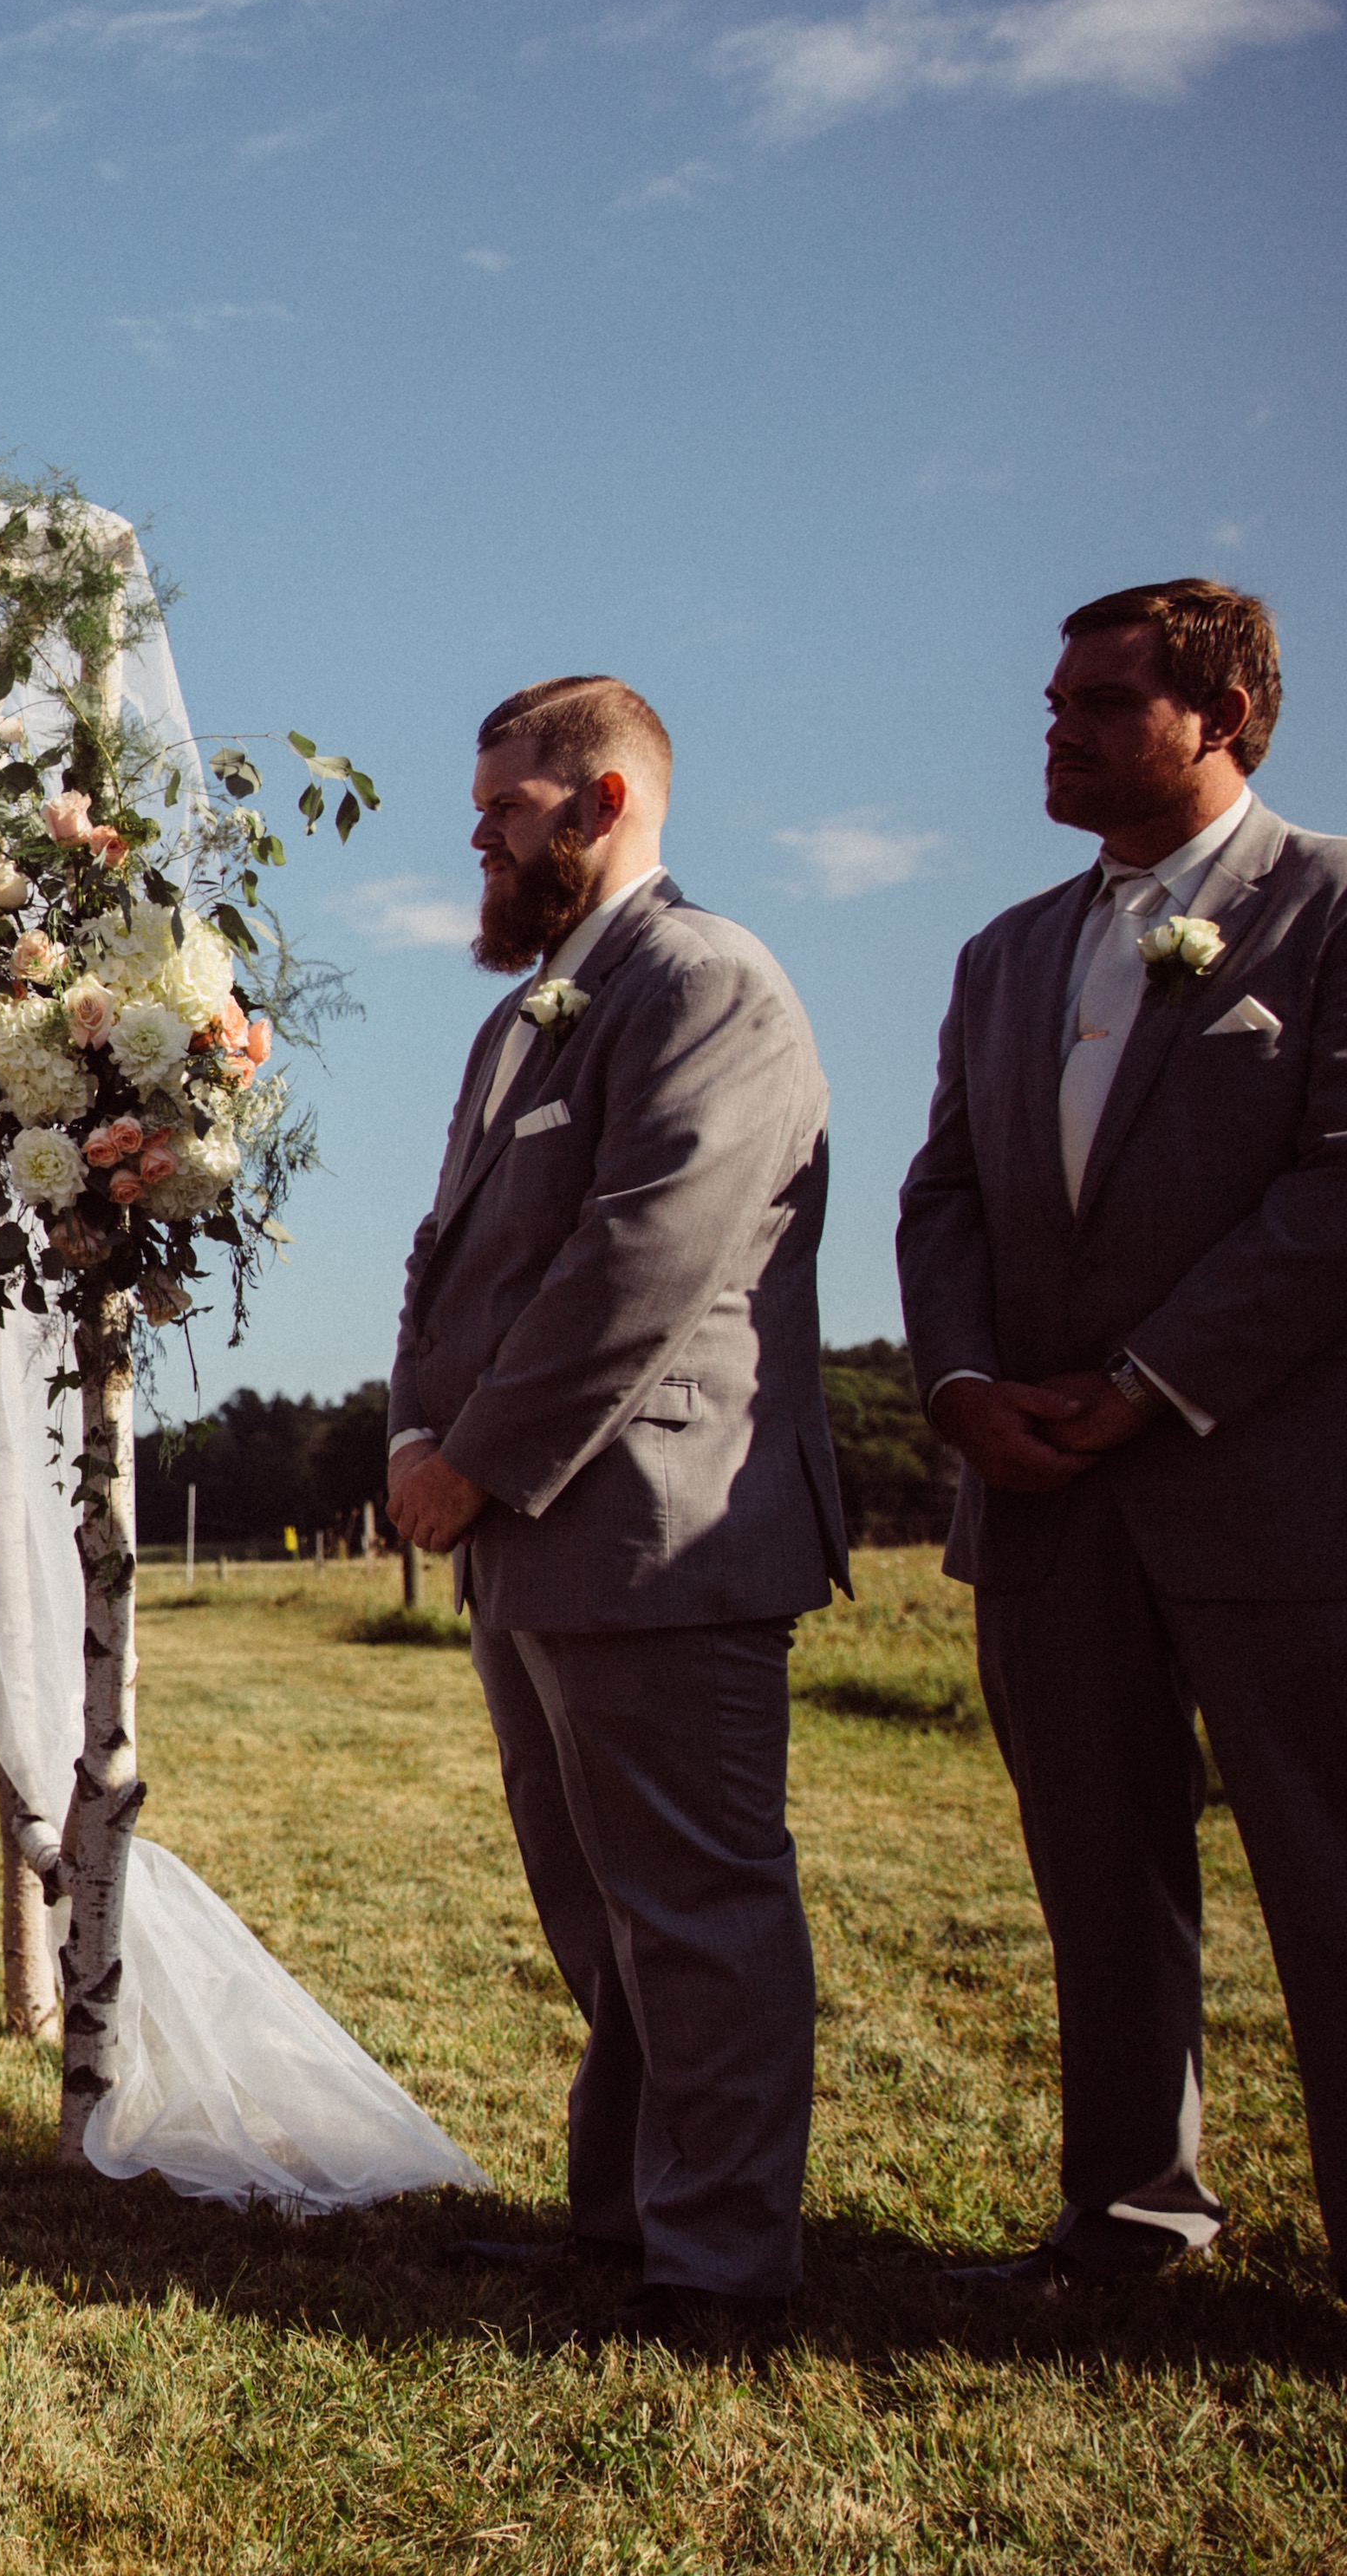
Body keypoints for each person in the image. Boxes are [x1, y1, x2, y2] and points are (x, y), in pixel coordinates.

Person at [895, 579, 1347, 2291]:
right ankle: (1130, 2211)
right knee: (1097, 1867)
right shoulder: (1003, 952)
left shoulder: (1332, 905)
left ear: (1220, 716)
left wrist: (1150, 1378)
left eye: (1100, 701)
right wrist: (957, 1389)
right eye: (1055, 699)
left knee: (1328, 1874)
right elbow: (943, 1197)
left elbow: (1336, 1191)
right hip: (1045, 1498)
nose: (1057, 728)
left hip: (1279, 1492)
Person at [383, 676, 843, 2341]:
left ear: (607, 802)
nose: (484, 843)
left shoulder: (707, 983)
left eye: (506, 810)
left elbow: (644, 1259)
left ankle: (722, 2265)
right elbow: (442, 1259)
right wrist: (406, 1434)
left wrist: (472, 1457)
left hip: (660, 1524)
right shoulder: (525, 1017)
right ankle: (625, 2217)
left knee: (700, 1907)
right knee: (595, 1900)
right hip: (526, 1536)